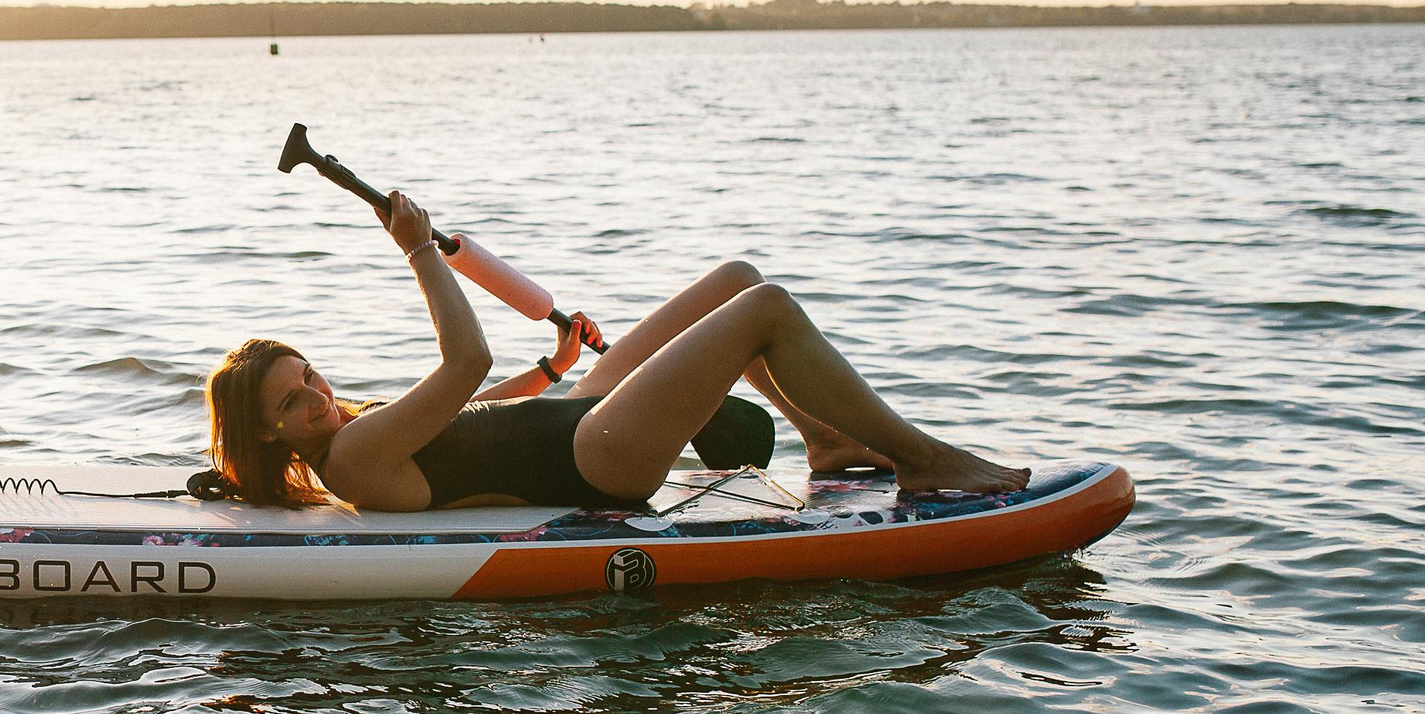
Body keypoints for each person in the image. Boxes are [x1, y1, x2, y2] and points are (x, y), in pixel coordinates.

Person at [203, 193, 1027, 512]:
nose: (316, 395)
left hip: (576, 411)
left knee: (737, 280)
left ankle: (827, 440)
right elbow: (464, 367)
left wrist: (554, 370)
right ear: (269, 432)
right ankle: (922, 459)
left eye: (308, 374)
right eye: (292, 402)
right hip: (594, 456)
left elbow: (463, 417)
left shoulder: (353, 432)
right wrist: (420, 250)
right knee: (765, 309)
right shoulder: (350, 457)